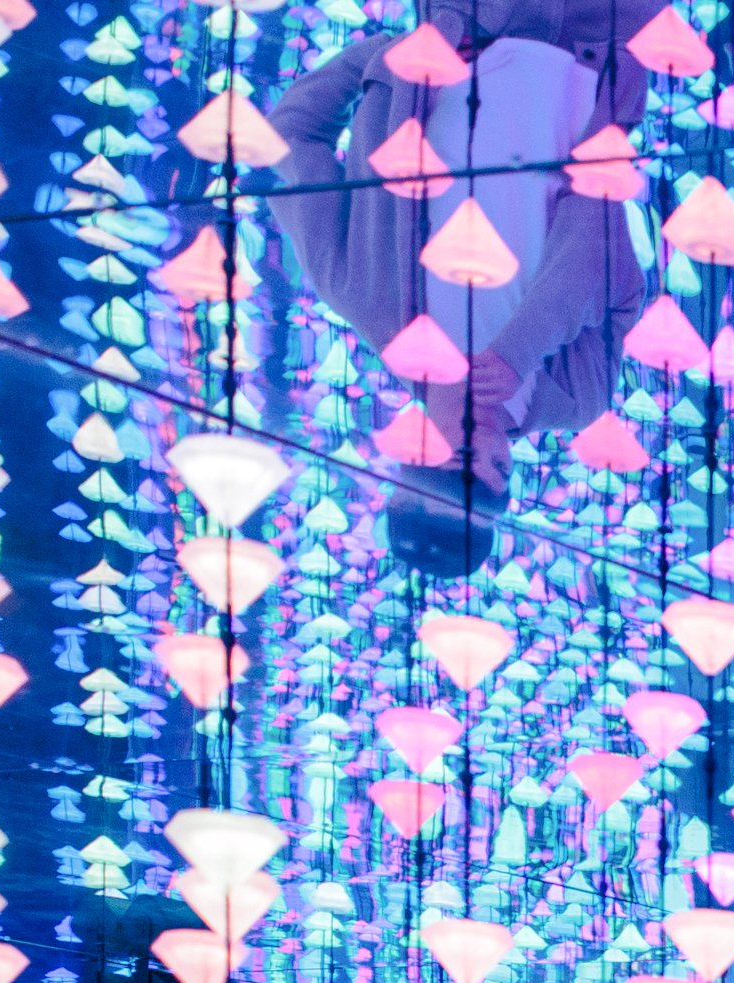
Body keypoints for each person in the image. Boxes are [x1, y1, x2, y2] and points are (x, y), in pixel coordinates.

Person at [267, 0, 657, 572]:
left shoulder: (358, 292)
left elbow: (289, 139)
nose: (476, 455)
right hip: (596, 41)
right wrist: (518, 350)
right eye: (492, 478)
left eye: (447, 470)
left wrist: (384, 59)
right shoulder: (578, 396)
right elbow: (617, 272)